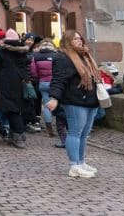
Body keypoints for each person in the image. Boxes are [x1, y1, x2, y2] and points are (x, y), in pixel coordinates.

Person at [47, 31, 101, 178]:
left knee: (84, 133)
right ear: (67, 41)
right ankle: (74, 165)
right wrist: (54, 98)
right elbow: (58, 80)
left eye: (79, 38)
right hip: (74, 100)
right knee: (75, 132)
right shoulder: (63, 58)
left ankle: (81, 162)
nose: (79, 41)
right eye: (75, 39)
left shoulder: (85, 55)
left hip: (90, 99)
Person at [0, 29, 31, 149]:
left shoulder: (3, 50)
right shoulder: (23, 50)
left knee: (11, 109)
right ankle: (15, 134)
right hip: (20, 82)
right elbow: (26, 65)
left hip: (6, 82)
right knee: (16, 108)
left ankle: (19, 135)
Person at [30, 38, 58, 136]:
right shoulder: (56, 55)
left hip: (42, 83)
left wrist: (39, 77)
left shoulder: (35, 55)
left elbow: (33, 71)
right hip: (55, 83)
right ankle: (61, 129)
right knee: (58, 105)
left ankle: (49, 130)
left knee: (47, 106)